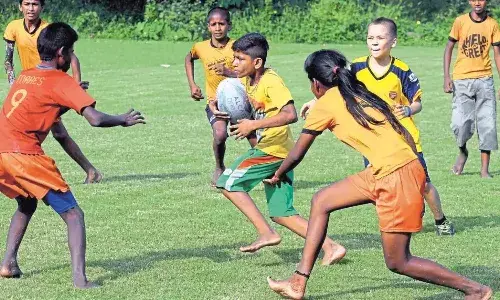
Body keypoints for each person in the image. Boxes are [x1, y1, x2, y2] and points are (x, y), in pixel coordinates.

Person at [266, 49, 492, 300]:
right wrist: (415, 176)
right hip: (389, 169)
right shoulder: (360, 93)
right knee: (322, 200)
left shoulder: (327, 104)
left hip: (394, 176)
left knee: (398, 262)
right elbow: (403, 132)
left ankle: (476, 290)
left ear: (315, 83)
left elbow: (297, 153)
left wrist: (277, 174)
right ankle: (297, 282)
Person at [0, 22, 145, 288]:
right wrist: (122, 119)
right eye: (72, 51)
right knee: (74, 215)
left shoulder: (26, 75)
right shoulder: (61, 81)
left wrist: (68, 100)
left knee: (27, 203)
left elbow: (40, 106)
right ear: (62, 53)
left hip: (1, 151)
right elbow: (95, 119)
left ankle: (8, 263)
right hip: (22, 154)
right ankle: (80, 280)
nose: (72, 57)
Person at [301, 18, 455, 235]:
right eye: (370, 37)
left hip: (403, 139)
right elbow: (337, 89)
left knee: (424, 183)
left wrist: (409, 110)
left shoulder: (401, 70)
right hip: (374, 138)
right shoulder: (356, 68)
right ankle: (399, 217)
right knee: (378, 186)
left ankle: (441, 221)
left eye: (380, 38)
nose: (374, 42)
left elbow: (417, 102)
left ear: (393, 42)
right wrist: (315, 101)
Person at [212, 33, 345, 264]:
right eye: (234, 57)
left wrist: (254, 124)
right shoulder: (248, 78)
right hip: (281, 152)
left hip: (272, 151)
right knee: (282, 213)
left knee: (227, 182)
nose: (234, 63)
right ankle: (331, 247)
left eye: (239, 59)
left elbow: (290, 114)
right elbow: (234, 86)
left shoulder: (271, 82)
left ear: (257, 62)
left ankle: (266, 233)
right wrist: (216, 104)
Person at [4, 0, 102, 184]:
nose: (31, 8)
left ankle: (90, 171)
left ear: (42, 7)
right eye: (27, 4)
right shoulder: (13, 27)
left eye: (35, 4)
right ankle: (91, 171)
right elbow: (7, 60)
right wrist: (13, 85)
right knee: (56, 133)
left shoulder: (49, 31)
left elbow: (72, 56)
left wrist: (75, 84)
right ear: (20, 7)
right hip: (30, 86)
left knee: (50, 132)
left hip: (50, 88)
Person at [185, 7, 255, 186]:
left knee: (252, 136)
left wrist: (229, 72)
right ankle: (219, 167)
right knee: (220, 134)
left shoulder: (237, 47)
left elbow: (250, 71)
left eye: (221, 24)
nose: (218, 28)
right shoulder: (200, 47)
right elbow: (188, 58)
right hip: (214, 102)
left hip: (239, 100)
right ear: (208, 26)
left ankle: (270, 170)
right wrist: (192, 84)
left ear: (229, 26)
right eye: (213, 24)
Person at [444, 0, 500, 178]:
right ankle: (463, 151)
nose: (477, 2)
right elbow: (449, 48)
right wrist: (447, 77)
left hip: (485, 81)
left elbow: (498, 54)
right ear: (469, 1)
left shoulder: (492, 24)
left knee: (488, 124)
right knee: (461, 124)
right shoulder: (460, 22)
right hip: (462, 80)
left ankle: (484, 170)